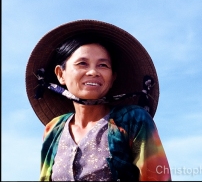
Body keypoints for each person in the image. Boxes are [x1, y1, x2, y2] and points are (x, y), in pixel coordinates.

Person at [25, 20, 171, 181]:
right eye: (82, 63)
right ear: (60, 74)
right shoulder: (53, 130)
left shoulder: (134, 120)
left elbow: (157, 177)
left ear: (113, 77)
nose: (93, 72)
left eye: (103, 65)